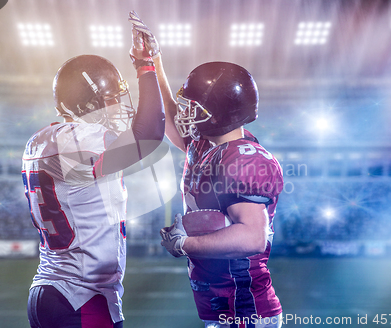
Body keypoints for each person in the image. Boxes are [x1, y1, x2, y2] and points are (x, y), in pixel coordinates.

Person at [129, 12, 284, 328]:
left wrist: (185, 244)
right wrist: (151, 63)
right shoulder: (204, 143)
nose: (185, 112)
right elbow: (170, 116)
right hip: (222, 307)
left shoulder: (247, 160)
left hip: (246, 311)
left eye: (194, 108)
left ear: (219, 114)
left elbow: (253, 237)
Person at [21, 19, 165, 328]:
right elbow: (150, 134)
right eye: (111, 98)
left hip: (50, 290)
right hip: (81, 298)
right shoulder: (83, 139)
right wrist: (146, 65)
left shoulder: (38, 141)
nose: (117, 106)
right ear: (87, 103)